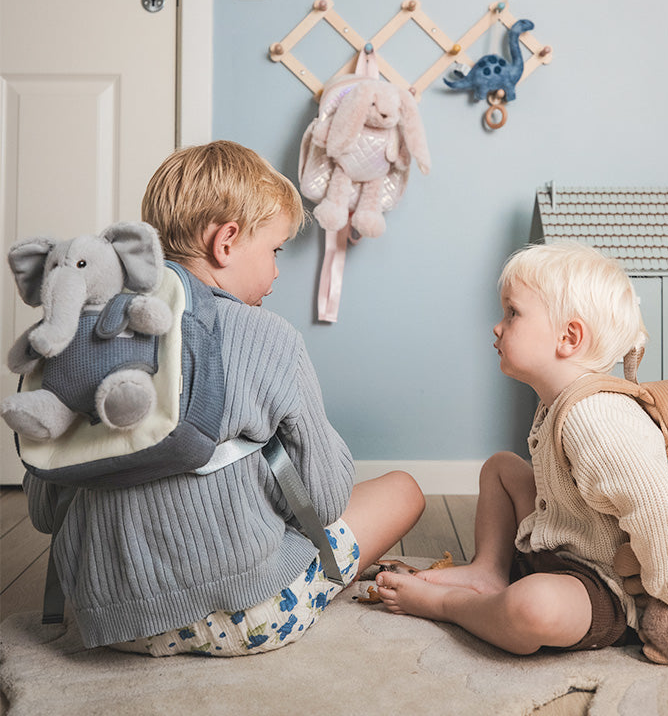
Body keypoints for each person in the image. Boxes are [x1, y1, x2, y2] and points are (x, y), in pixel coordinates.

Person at [23, 140, 425, 656]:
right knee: (403, 490)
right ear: (226, 242)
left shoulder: (81, 336)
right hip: (252, 615)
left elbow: (45, 509)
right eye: (275, 251)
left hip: (114, 625)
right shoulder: (268, 336)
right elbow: (323, 500)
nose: (276, 271)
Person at [376, 241, 668, 655]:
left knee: (531, 608)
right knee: (501, 468)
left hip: (603, 582)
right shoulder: (561, 401)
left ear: (568, 337)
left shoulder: (596, 415)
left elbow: (658, 508)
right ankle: (488, 572)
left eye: (512, 313)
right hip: (562, 545)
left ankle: (450, 605)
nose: (497, 327)